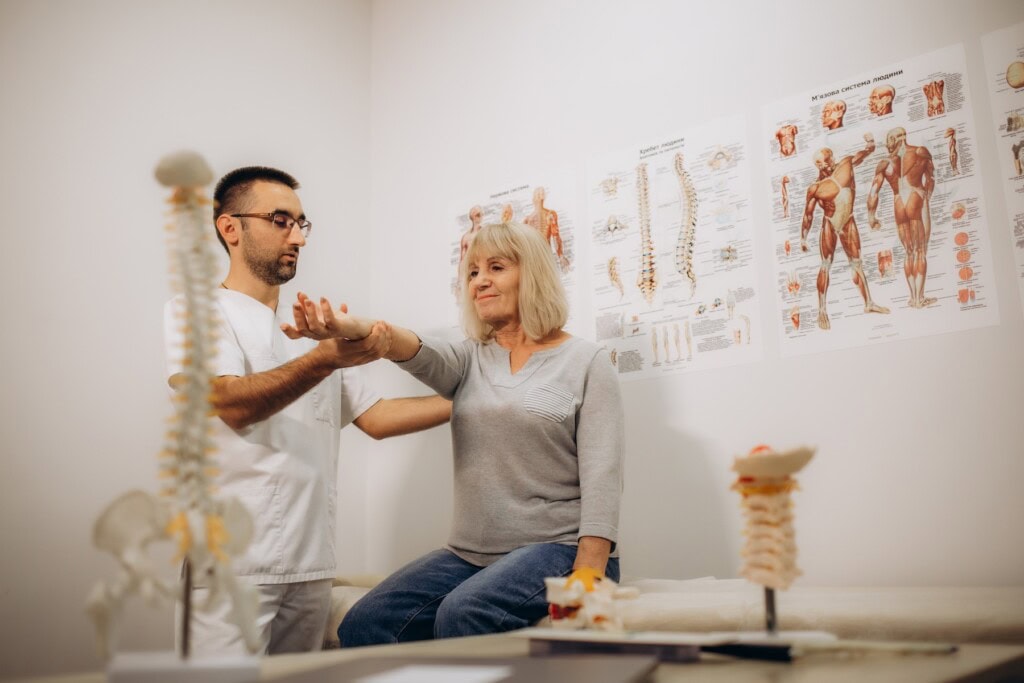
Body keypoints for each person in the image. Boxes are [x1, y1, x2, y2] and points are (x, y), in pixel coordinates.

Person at [284, 222, 624, 646]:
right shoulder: (469, 358)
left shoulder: (586, 362)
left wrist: (588, 577)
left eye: (496, 267)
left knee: (464, 613)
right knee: (365, 623)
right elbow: (408, 346)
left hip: (559, 548)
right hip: (469, 555)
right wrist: (350, 326)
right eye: (472, 272)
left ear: (532, 274)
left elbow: (603, 476)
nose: (479, 280)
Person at [164, 166, 451, 656]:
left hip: (311, 565)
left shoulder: (311, 330)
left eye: (302, 223)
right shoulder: (199, 311)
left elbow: (376, 418)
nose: (297, 236)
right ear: (230, 227)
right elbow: (229, 403)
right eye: (280, 220)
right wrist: (324, 359)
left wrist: (472, 397)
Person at [801, 134, 890, 329]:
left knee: (857, 264)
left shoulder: (846, 164)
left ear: (832, 158)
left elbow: (865, 153)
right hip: (830, 224)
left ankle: (868, 303)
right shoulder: (815, 188)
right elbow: (808, 214)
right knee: (825, 264)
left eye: (827, 160)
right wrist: (803, 238)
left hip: (848, 221)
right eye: (820, 164)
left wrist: (870, 144)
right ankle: (822, 310)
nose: (825, 165)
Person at [867, 127, 937, 308]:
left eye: (888, 139)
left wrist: (871, 217)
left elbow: (873, 192)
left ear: (894, 140)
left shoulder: (884, 163)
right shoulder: (920, 152)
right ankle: (919, 299)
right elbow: (931, 177)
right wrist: (926, 195)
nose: (887, 144)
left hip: (898, 202)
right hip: (916, 196)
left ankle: (912, 297)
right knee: (920, 251)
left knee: (909, 252)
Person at [523, 186, 569, 271]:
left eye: (541, 194)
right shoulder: (528, 220)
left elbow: (556, 236)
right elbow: (556, 237)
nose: (540, 197)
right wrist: (561, 256)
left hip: (538, 258)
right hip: (539, 257)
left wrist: (561, 256)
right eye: (539, 194)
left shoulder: (529, 219)